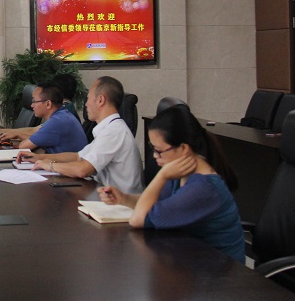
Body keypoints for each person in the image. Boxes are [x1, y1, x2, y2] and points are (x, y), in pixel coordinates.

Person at [97, 105, 244, 263]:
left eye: (159, 150)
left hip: (221, 272)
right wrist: (124, 198)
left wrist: (162, 176)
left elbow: (138, 219)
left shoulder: (203, 187)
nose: (155, 156)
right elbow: (154, 204)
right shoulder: (181, 173)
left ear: (184, 148)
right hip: (194, 261)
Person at [17, 76, 142, 194]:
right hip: (104, 196)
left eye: (88, 98)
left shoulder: (113, 132)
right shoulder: (109, 128)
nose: (86, 104)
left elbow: (83, 170)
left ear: (100, 100)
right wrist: (39, 158)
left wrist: (50, 166)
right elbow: (77, 156)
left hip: (119, 204)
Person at [0, 73, 81, 142]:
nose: (32, 105)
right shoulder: (63, 110)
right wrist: (3, 131)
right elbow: (34, 130)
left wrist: (1, 134)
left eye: (35, 101)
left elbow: (34, 136)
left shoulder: (63, 114)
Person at [16, 83, 87, 153]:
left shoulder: (57, 121)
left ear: (48, 104)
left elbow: (23, 146)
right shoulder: (63, 115)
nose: (32, 105)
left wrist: (17, 135)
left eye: (34, 101)